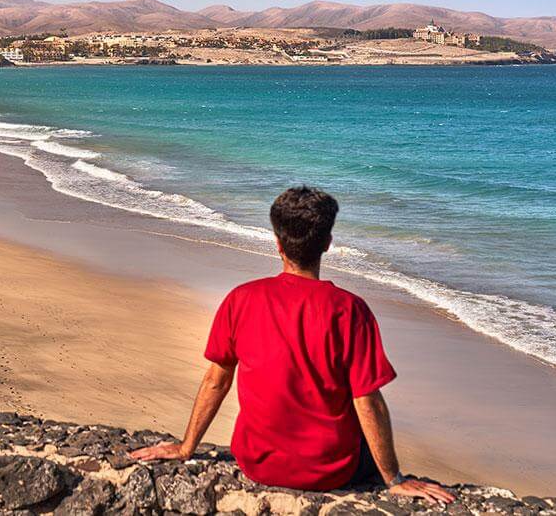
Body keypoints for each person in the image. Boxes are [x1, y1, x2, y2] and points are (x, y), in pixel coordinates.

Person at [130, 186, 455, 504]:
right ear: (327, 244)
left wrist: (187, 447)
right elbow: (367, 400)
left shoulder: (240, 299)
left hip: (257, 464)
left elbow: (217, 380)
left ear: (278, 244)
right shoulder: (350, 309)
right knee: (364, 439)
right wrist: (394, 479)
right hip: (330, 472)